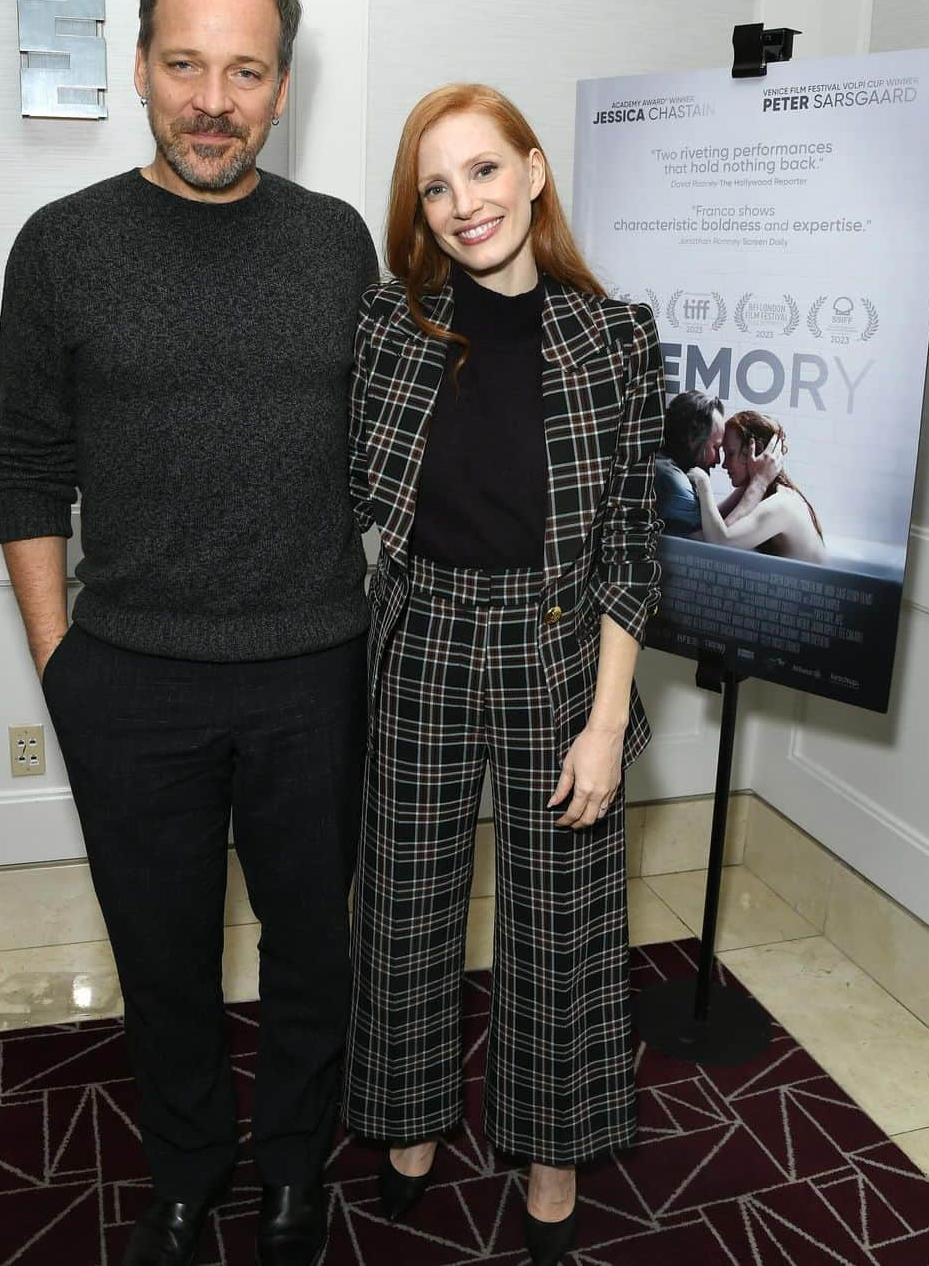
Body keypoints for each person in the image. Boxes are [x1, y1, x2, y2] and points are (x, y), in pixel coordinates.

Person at [0, 0, 377, 1265]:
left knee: (312, 955)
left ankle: (290, 1172)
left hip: (316, 667)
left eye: (248, 71)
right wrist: (60, 663)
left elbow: (390, 449)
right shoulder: (60, 245)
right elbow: (25, 467)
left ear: (284, 83)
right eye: (187, 64)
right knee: (162, 958)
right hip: (130, 675)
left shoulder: (339, 246)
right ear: (144, 66)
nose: (216, 101)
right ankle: (188, 1167)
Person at [342, 83, 664, 1266]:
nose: (464, 203)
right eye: (437, 186)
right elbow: (335, 489)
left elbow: (633, 542)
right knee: (406, 906)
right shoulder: (393, 327)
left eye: (483, 171)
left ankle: (552, 1146)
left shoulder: (616, 337)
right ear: (421, 215)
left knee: (562, 919)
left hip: (557, 644)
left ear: (533, 172)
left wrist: (607, 714)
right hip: (420, 631)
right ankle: (412, 1119)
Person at [688, 410, 826, 563]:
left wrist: (702, 482)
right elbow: (703, 534)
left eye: (730, 453)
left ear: (755, 451)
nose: (724, 464)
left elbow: (721, 543)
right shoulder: (754, 488)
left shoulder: (783, 505)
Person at [654, 390, 781, 536]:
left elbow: (710, 523)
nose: (719, 461)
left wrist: (751, 479)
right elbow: (711, 541)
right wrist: (759, 483)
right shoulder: (674, 483)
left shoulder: (662, 464)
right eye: (716, 447)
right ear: (692, 438)